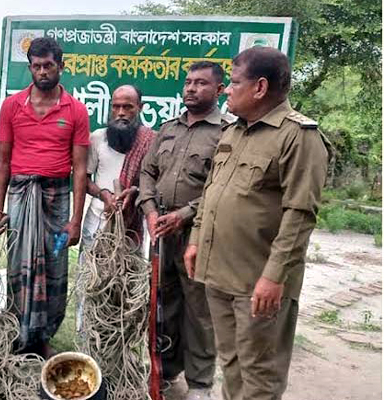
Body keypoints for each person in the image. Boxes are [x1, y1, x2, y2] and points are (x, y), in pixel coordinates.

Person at [184, 47, 329, 400]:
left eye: (233, 83)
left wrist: (273, 276)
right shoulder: (234, 132)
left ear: (260, 87)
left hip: (258, 283)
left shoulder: (299, 137)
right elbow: (213, 191)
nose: (228, 90)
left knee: (260, 375)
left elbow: (300, 214)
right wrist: (196, 239)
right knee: (231, 363)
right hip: (219, 273)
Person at [0, 37, 89, 359]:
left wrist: (75, 220)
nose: (42, 71)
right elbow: (2, 161)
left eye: (48, 65)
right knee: (19, 264)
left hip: (57, 198)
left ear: (61, 65)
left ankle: (44, 336)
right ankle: (20, 334)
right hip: (20, 196)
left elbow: (80, 169)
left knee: (55, 265)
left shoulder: (76, 110)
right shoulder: (12, 106)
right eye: (36, 66)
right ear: (29, 67)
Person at [139, 61, 233, 400]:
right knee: (165, 305)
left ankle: (200, 383)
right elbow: (146, 173)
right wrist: (150, 211)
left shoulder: (228, 131)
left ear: (219, 90)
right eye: (188, 82)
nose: (191, 88)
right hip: (162, 232)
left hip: (200, 235)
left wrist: (185, 214)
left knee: (199, 312)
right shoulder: (168, 128)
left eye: (201, 83)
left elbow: (222, 187)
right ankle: (165, 370)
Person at [76, 84, 156, 332]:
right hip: (97, 223)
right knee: (90, 282)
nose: (121, 112)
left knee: (123, 285)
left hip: (131, 227)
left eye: (127, 107)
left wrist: (135, 195)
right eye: (116, 106)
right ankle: (86, 334)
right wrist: (103, 194)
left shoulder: (151, 141)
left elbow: (153, 184)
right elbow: (84, 179)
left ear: (140, 108)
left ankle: (115, 337)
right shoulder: (97, 137)